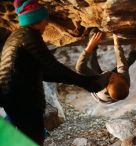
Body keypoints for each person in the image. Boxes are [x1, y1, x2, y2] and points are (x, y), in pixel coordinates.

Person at [0, 0, 110, 145]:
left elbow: (44, 73)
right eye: (45, 19)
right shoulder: (29, 36)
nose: (46, 24)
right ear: (37, 19)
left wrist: (87, 82)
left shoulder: (18, 35)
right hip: (23, 101)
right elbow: (54, 68)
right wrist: (89, 83)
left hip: (15, 100)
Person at [76, 30, 136, 103]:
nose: (112, 74)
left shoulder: (99, 84)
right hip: (114, 86)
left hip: (100, 94)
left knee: (92, 62)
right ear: (123, 80)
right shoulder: (124, 80)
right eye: (119, 76)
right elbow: (120, 59)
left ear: (107, 86)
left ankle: (94, 42)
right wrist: (116, 41)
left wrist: (90, 47)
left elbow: (80, 68)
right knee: (127, 63)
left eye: (111, 79)